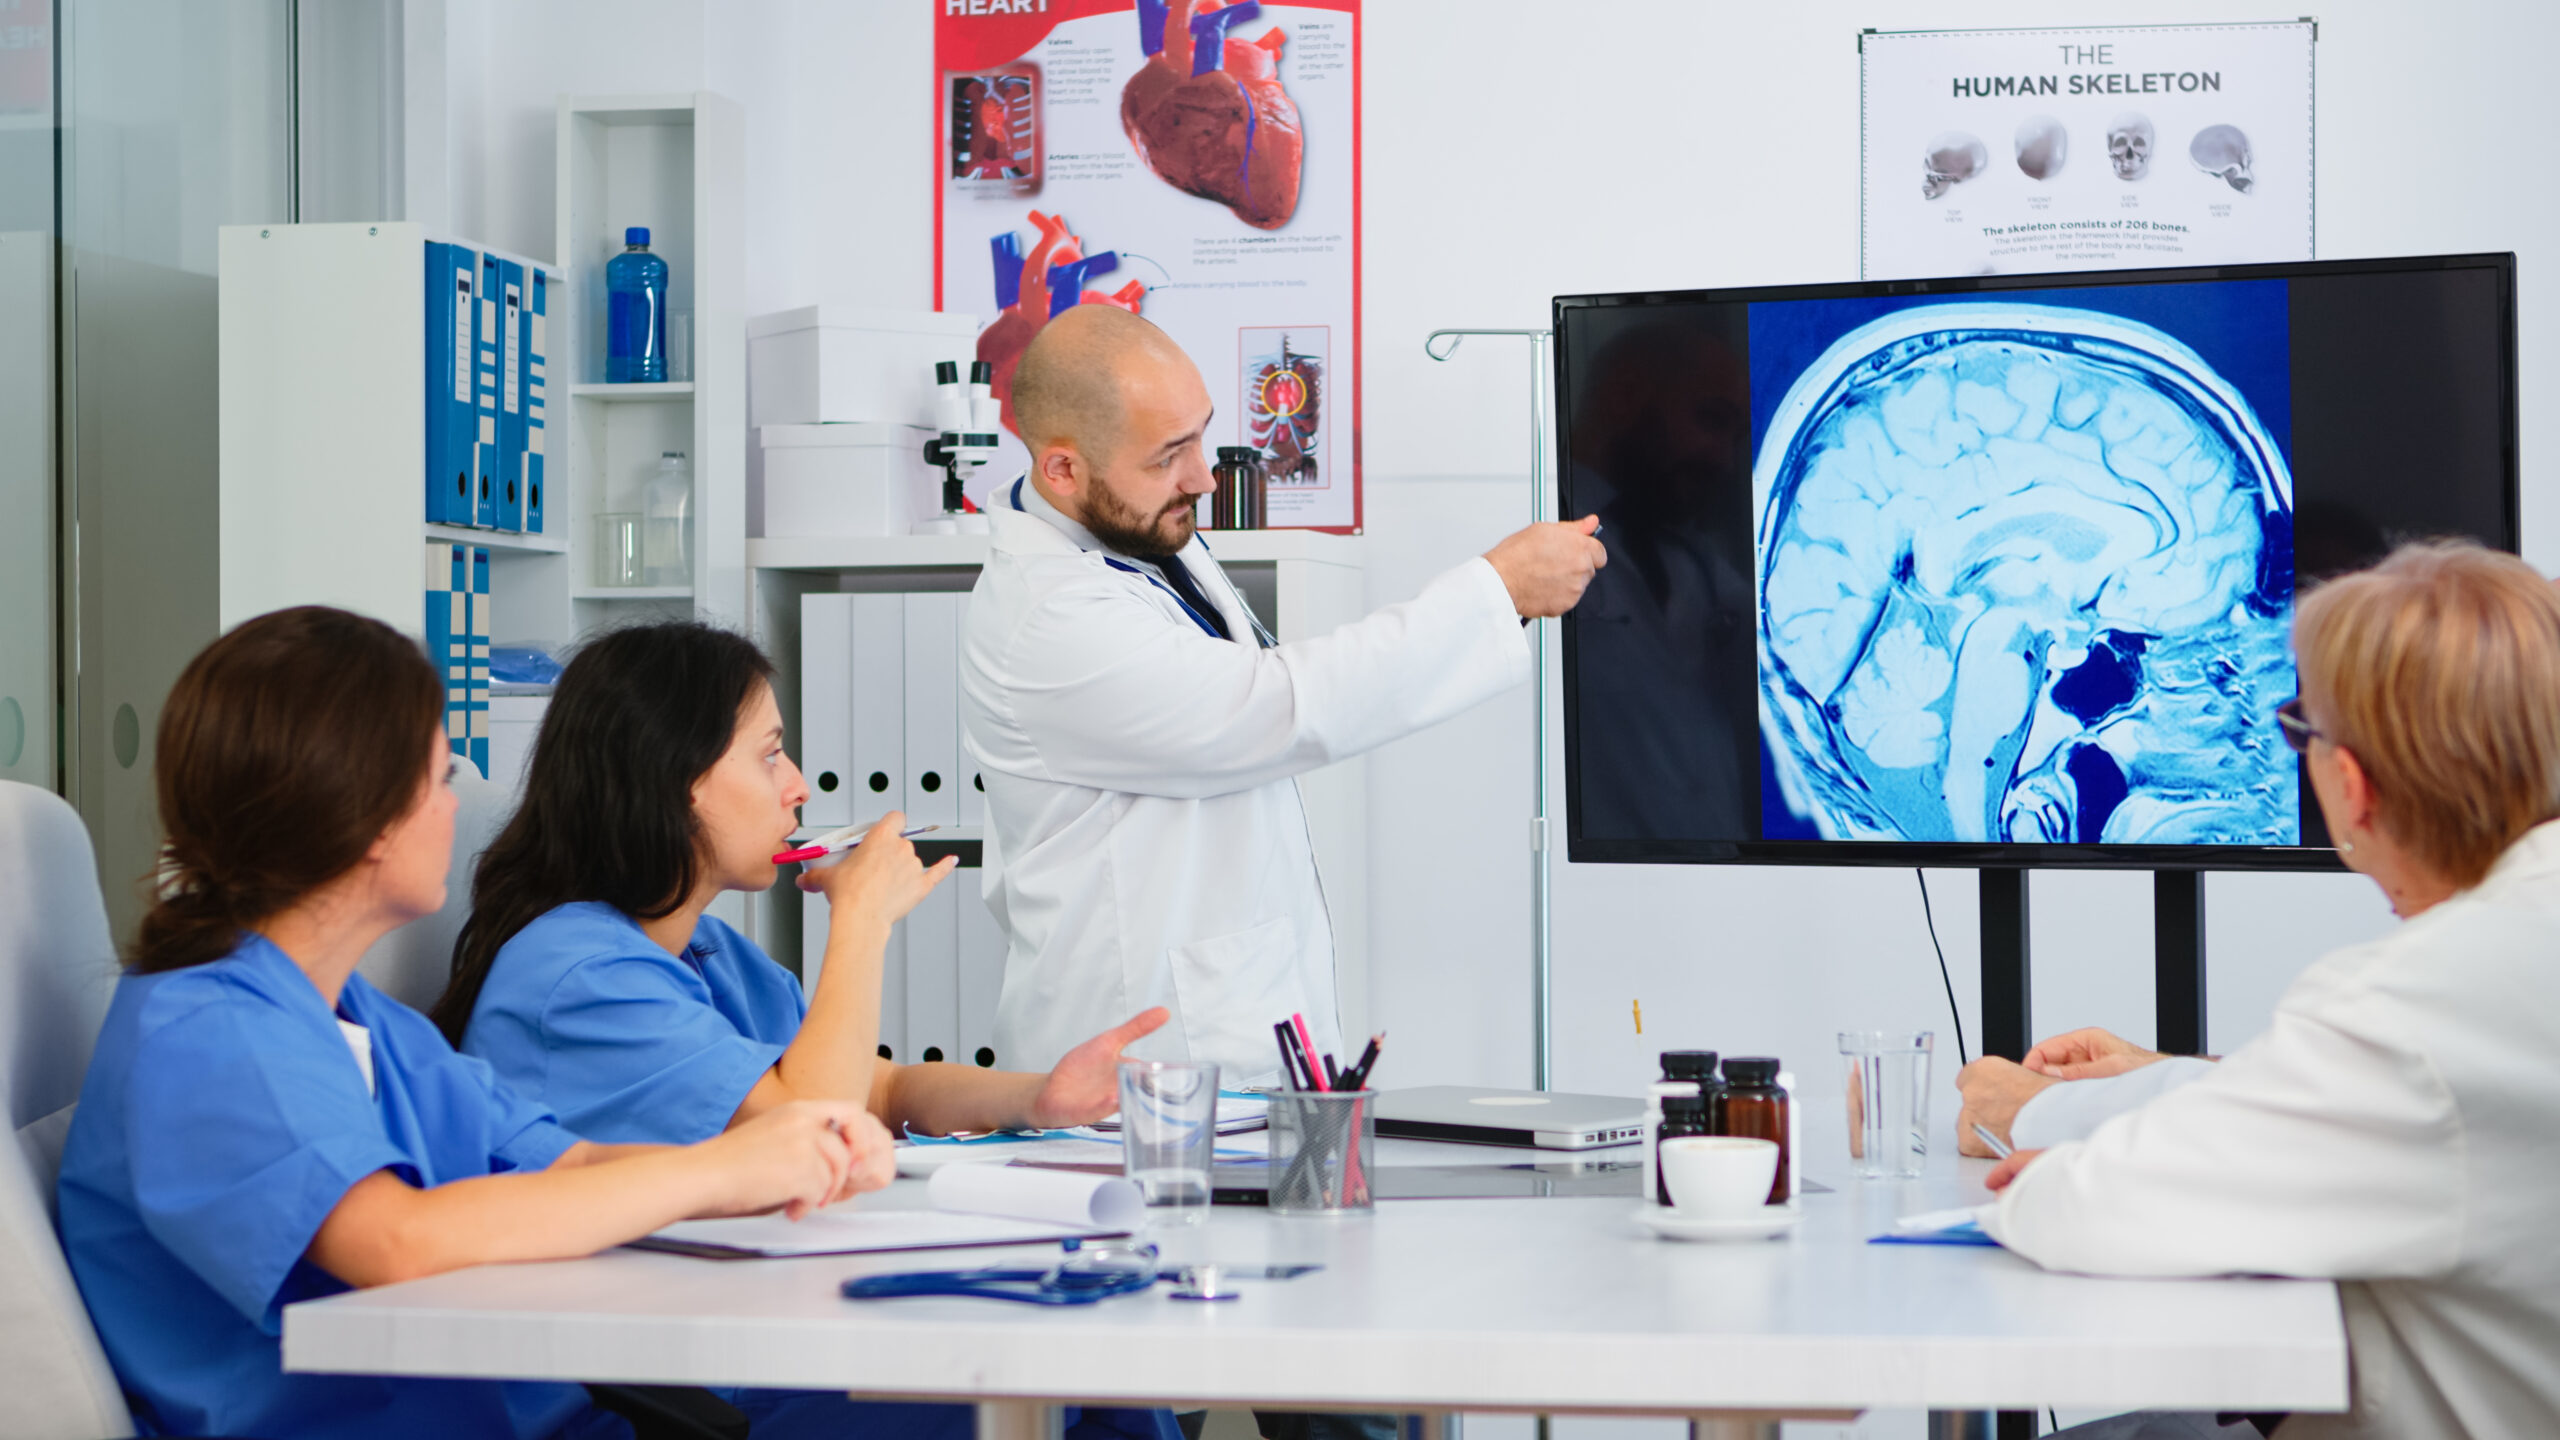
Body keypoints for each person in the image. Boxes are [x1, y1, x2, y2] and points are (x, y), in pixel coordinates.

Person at [55, 607, 897, 1440]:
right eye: (441, 778)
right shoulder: (208, 1034)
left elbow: (570, 1160)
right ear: (367, 815)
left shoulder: (367, 1027)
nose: (456, 810)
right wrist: (720, 1174)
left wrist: (779, 1159)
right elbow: (396, 1242)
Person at [1979, 541, 2560, 1439]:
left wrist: (2041, 1135)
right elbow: (2416, 1116)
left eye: (2303, 732)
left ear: (2351, 785)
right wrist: (2172, 1078)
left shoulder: (2417, 1004)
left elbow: (2092, 1210)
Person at [965, 304, 1607, 1079]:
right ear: (1062, 469)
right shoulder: (1050, 618)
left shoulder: (1134, 540)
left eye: (1200, 433)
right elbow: (1278, 706)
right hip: (1136, 1061)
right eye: (1169, 455)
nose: (1203, 476)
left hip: (1221, 1026)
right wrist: (1496, 592)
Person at [434, 621, 1169, 1148]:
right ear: (677, 778)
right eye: (770, 756)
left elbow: (875, 1090)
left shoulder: (710, 950)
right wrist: (861, 920)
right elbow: (812, 1116)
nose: (799, 786)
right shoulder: (577, 972)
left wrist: (1039, 1098)